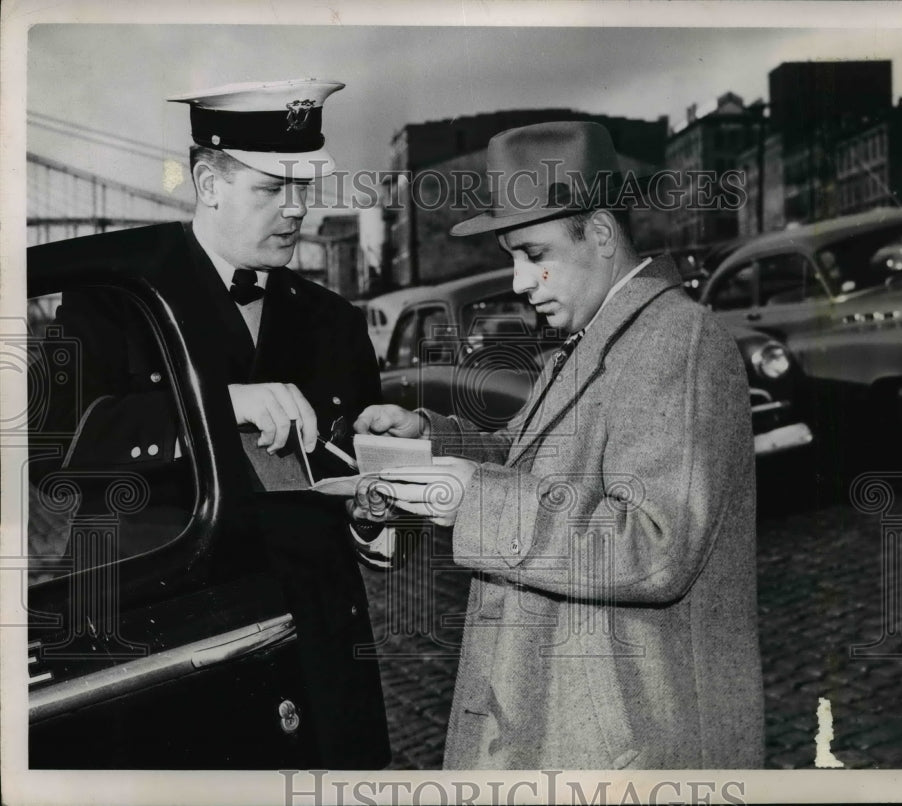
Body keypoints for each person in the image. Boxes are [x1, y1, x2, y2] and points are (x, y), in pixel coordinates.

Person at [354, 121, 764, 769]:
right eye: (512, 256)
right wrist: (431, 442)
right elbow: (532, 461)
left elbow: (655, 545)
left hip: (629, 749)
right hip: (570, 730)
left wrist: (476, 502)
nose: (519, 282)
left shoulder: (675, 343)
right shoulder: (598, 340)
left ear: (600, 233)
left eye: (533, 253)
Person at [38, 79, 391, 768]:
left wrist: (382, 494)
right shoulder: (111, 303)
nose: (297, 211)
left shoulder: (338, 326)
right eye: (272, 188)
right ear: (208, 181)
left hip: (311, 665)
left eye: (306, 188)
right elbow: (55, 459)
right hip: (162, 668)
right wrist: (217, 406)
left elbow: (353, 527)